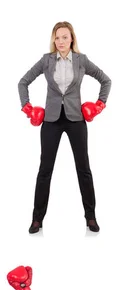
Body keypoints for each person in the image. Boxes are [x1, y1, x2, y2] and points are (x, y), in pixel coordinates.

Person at [18, 21, 112, 234]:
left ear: (72, 39)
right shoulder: (46, 60)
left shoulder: (81, 60)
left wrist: (100, 104)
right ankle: (37, 219)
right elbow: (23, 82)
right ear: (54, 39)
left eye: (65, 37)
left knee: (84, 169)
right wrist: (26, 107)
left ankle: (91, 217)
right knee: (45, 170)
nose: (60, 41)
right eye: (57, 37)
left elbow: (106, 80)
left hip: (76, 119)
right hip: (50, 120)